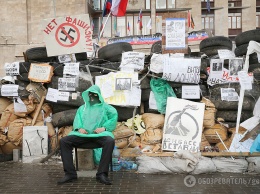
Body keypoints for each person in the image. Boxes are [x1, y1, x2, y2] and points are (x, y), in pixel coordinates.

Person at [57, 85, 118, 185]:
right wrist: (79, 128)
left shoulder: (106, 108)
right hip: (83, 136)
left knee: (109, 141)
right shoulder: (82, 108)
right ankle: (70, 174)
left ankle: (102, 174)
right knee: (64, 141)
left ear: (99, 95)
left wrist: (104, 128)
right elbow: (77, 120)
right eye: (90, 95)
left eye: (94, 94)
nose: (92, 97)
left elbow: (113, 117)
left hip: (99, 136)